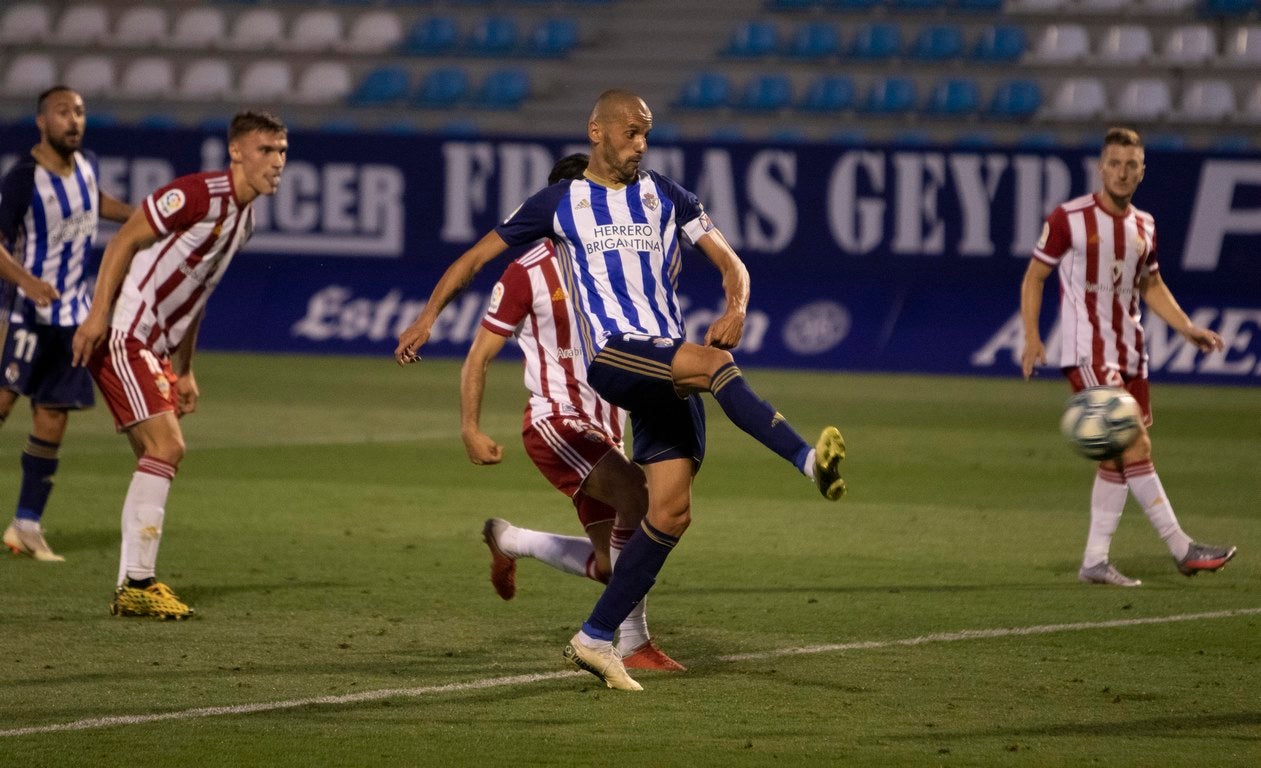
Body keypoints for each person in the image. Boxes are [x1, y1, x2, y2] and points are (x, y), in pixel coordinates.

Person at [397, 89, 845, 690]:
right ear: (597, 131)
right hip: (615, 354)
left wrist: (736, 305)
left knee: (670, 512)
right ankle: (807, 459)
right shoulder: (558, 204)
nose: (640, 145)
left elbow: (732, 262)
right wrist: (428, 316)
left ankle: (597, 637)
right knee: (714, 367)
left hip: (663, 365)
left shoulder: (668, 196)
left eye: (646, 134)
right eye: (631, 133)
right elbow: (474, 260)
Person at [467, 153, 682, 672]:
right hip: (557, 421)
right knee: (641, 495)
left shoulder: (621, 265)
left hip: (608, 426)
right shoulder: (527, 272)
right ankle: (632, 643)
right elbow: (479, 355)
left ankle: (509, 539)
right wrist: (470, 427)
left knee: (615, 568)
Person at [70, 110, 288, 619]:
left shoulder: (244, 220)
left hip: (153, 344)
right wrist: (98, 317)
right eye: (265, 150)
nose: (276, 162)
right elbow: (124, 239)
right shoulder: (197, 194)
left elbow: (198, 294)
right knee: (167, 447)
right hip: (125, 333)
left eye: (281, 151)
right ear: (236, 151)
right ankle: (138, 583)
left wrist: (186, 368)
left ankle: (132, 585)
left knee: (153, 455)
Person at [1020, 126, 1236, 588]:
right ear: (1101, 167)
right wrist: (1032, 337)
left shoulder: (1145, 225)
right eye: (1114, 163)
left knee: (1117, 457)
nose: (1121, 172)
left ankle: (1095, 562)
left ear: (1142, 171)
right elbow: (1035, 276)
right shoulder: (1068, 219)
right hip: (1088, 351)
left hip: (1131, 351)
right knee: (1134, 445)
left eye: (1130, 165)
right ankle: (1182, 549)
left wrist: (1187, 328)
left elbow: (1151, 285)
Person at [0, 86, 133, 561]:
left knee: (53, 415)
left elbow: (94, 202)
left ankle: (26, 525)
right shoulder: (21, 179)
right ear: (42, 122)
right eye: (62, 113)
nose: (73, 121)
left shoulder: (87, 164)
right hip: (26, 315)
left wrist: (140, 216)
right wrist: (27, 282)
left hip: (73, 317)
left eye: (78, 112)